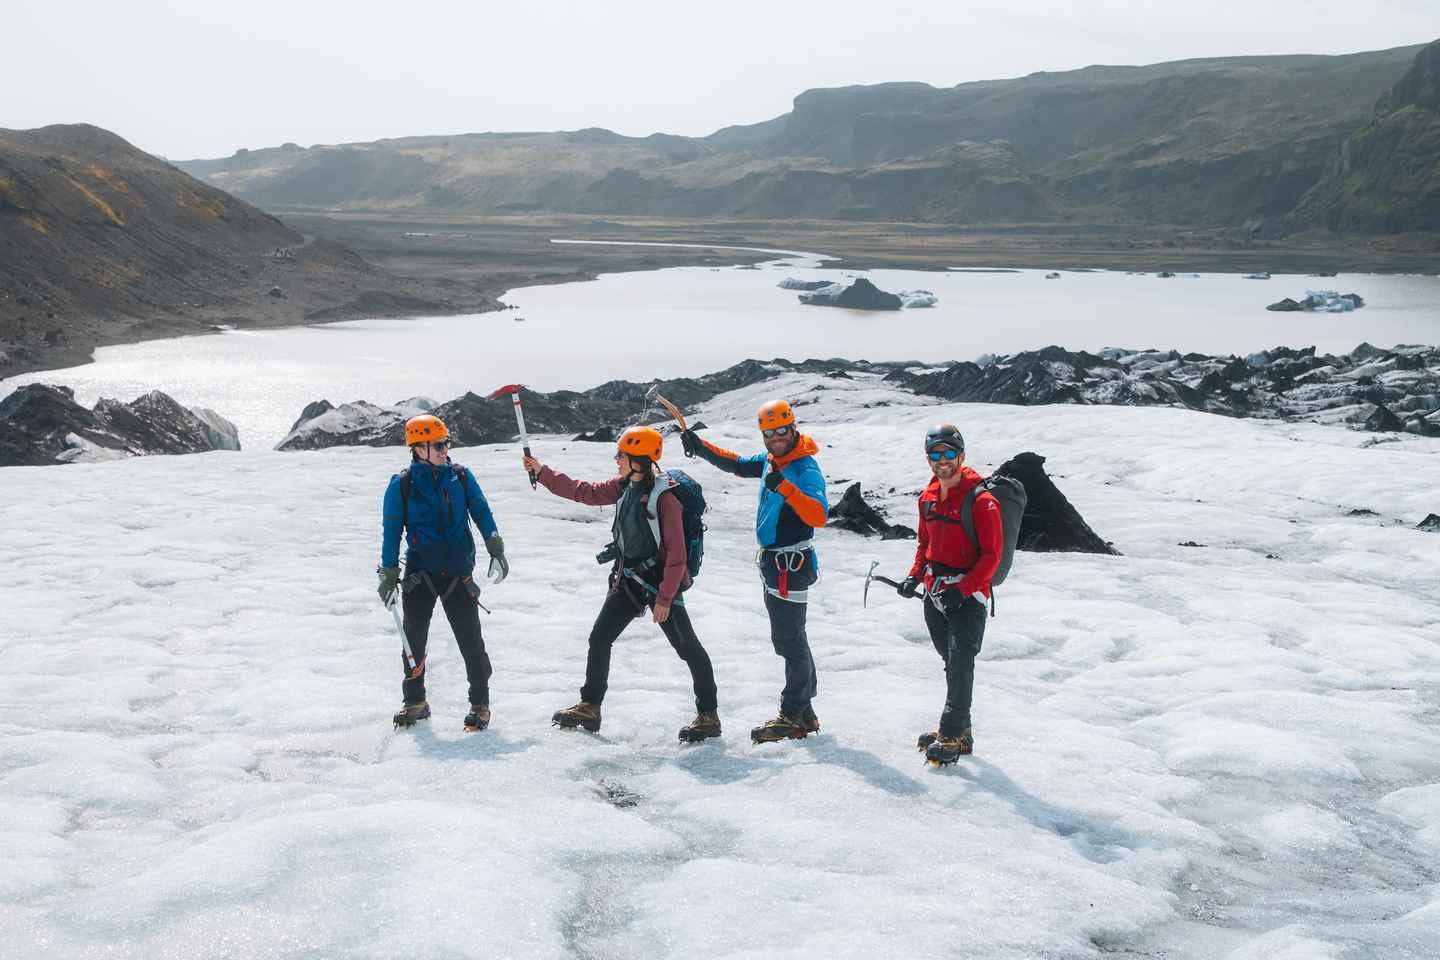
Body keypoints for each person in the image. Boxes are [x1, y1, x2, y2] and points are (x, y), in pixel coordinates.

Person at [522, 426, 721, 742]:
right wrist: (543, 472)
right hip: (629, 579)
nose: (616, 460)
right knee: (600, 638)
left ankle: (709, 716)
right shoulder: (624, 485)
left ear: (638, 460)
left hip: (658, 584)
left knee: (687, 648)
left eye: (621, 455)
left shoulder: (665, 499)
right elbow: (584, 491)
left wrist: (665, 599)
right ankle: (590, 706)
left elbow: (677, 555)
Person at [681, 400, 828, 743]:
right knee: (793, 636)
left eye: (781, 431)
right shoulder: (772, 461)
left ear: (793, 428)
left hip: (791, 565)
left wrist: (786, 488)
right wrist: (700, 447)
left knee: (789, 639)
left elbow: (819, 516)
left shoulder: (804, 468)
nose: (776, 438)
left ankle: (791, 714)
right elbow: (737, 464)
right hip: (777, 564)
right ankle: (805, 712)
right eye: (769, 433)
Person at [377, 414, 508, 732]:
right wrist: (389, 576)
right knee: (413, 641)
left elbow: (481, 511)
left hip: (458, 573)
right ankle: (415, 701)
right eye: (438, 445)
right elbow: (391, 532)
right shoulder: (402, 485)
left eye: (446, 444)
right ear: (417, 448)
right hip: (420, 574)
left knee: (470, 641)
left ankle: (480, 704)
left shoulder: (460, 477)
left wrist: (495, 547)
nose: (444, 450)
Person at [897, 424, 1002, 764]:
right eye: (935, 454)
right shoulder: (927, 498)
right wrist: (914, 576)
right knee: (952, 663)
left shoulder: (983, 502)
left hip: (968, 598)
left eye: (948, 453)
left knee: (960, 663)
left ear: (961, 455)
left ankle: (952, 732)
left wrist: (966, 589)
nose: (942, 460)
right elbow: (924, 544)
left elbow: (992, 556)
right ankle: (962, 732)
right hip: (935, 593)